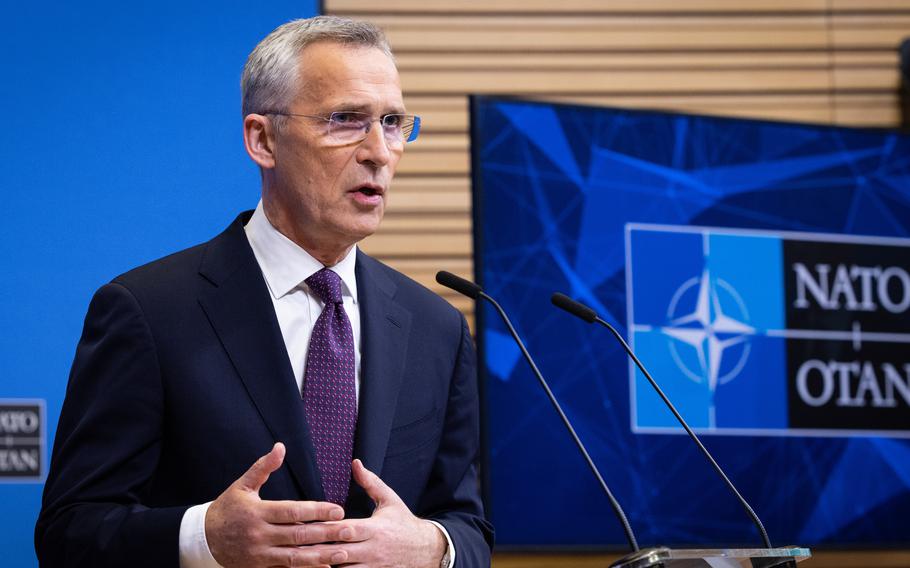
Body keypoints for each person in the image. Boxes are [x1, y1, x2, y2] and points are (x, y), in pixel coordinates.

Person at [35, 15, 493, 568]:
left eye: (393, 122)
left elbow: (467, 528)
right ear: (263, 139)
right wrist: (202, 538)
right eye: (347, 120)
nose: (379, 151)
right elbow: (70, 531)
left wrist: (431, 548)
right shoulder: (149, 312)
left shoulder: (436, 328)